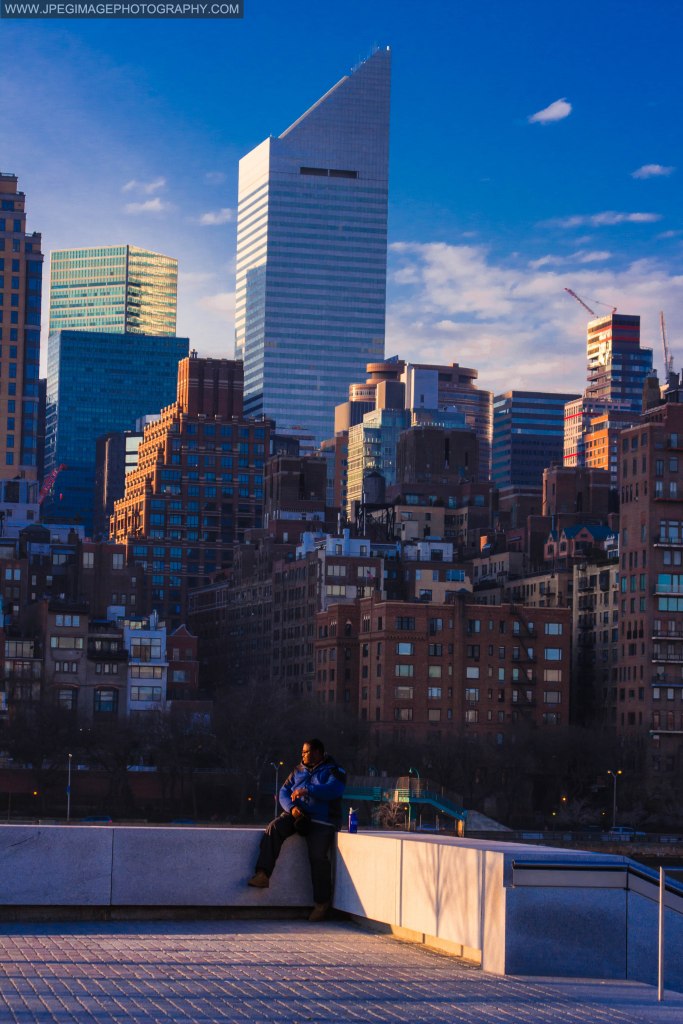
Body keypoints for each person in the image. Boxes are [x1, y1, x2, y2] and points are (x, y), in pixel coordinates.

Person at [248, 738, 346, 921]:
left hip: (322, 820)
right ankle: (263, 874)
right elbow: (284, 791)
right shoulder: (297, 770)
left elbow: (334, 790)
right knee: (274, 828)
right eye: (302, 752)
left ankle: (321, 903)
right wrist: (292, 808)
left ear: (318, 752)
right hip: (297, 814)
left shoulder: (335, 770)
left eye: (306, 752)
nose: (302, 755)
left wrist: (308, 790)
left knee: (317, 857)